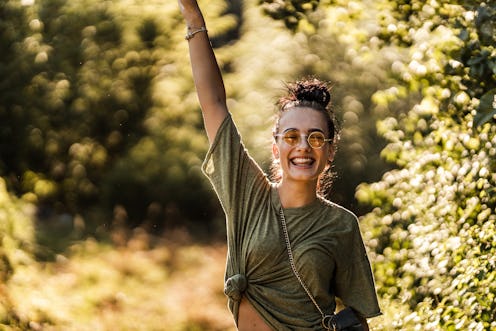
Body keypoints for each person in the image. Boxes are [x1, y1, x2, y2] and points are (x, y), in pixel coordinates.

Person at [178, 1, 381, 330]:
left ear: (330, 153)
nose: (303, 146)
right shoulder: (248, 197)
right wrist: (193, 16)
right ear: (276, 148)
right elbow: (213, 103)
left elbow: (358, 315)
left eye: (316, 138)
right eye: (291, 136)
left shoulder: (342, 226)